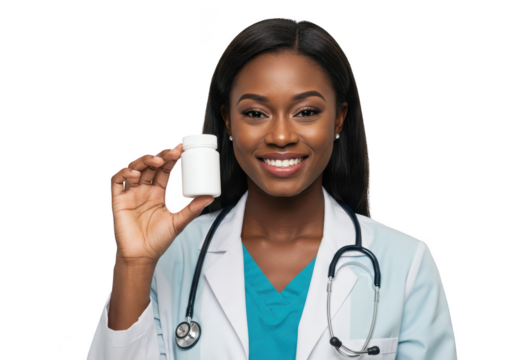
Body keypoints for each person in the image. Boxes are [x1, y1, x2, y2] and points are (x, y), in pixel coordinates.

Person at [86, 17, 457, 359]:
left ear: (339, 118)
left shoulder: (405, 263)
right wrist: (135, 263)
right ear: (228, 121)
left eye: (307, 112)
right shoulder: (170, 257)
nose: (281, 136)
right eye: (255, 113)